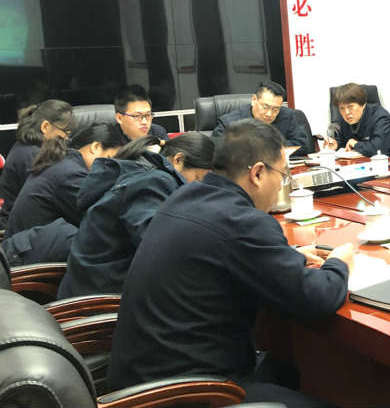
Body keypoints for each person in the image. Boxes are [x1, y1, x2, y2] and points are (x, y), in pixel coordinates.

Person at [107, 119, 353, 406]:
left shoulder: (185, 196)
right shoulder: (243, 222)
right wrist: (339, 263)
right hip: (183, 393)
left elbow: (223, 250)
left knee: (284, 371)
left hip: (142, 380)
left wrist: (289, 255)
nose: (281, 185)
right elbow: (317, 298)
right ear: (258, 173)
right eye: (282, 175)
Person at [57, 132, 215, 299]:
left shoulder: (140, 170)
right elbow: (154, 242)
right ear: (178, 159)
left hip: (94, 282)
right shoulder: (153, 181)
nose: (197, 188)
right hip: (102, 295)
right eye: (197, 179)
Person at [5, 123, 124, 237]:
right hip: (31, 249)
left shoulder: (64, 162)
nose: (109, 168)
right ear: (95, 147)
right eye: (109, 159)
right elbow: (101, 218)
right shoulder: (71, 175)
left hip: (30, 244)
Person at [0, 100, 74, 229]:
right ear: (45, 126)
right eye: (65, 132)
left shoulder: (28, 147)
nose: (66, 139)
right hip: (19, 229)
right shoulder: (32, 156)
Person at [212, 81, 310, 156]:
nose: (269, 114)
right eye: (265, 107)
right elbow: (215, 150)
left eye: (276, 109)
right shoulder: (230, 122)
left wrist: (268, 145)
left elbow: (304, 145)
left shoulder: (287, 115)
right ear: (254, 100)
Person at [323, 83, 390, 158]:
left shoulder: (380, 117)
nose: (346, 112)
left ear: (363, 104)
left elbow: (378, 150)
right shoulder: (346, 120)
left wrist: (355, 144)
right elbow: (345, 143)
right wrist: (336, 145)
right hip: (362, 164)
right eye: (342, 108)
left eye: (350, 107)